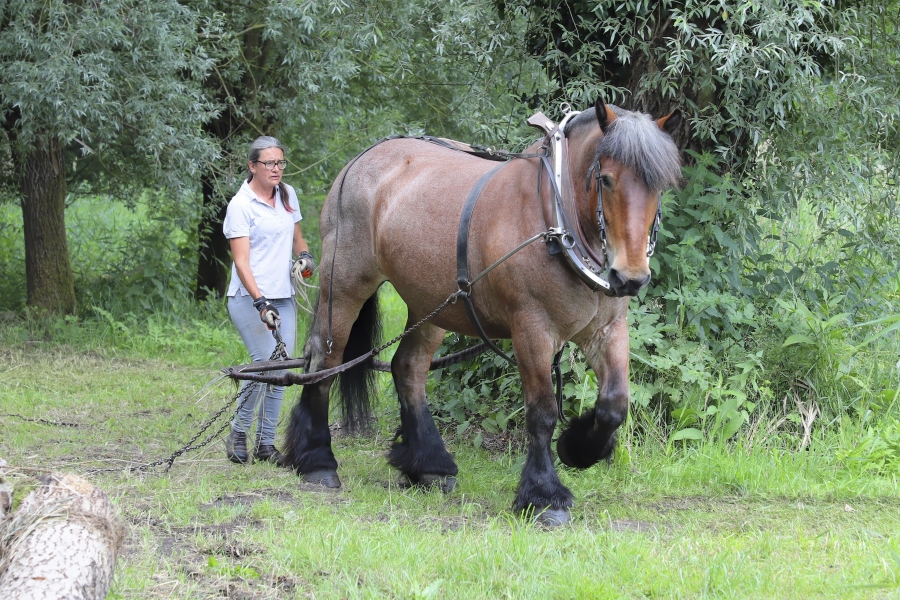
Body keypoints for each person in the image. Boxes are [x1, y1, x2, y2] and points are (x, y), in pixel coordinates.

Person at [222, 136, 315, 464]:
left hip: (284, 297)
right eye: (269, 163)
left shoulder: (287, 195)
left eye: (280, 163)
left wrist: (304, 257)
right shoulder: (241, 205)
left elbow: (297, 235)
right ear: (252, 166)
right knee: (264, 365)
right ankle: (238, 433)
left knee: (282, 367)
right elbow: (241, 262)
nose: (276, 169)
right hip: (249, 298)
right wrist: (261, 303)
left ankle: (265, 444)